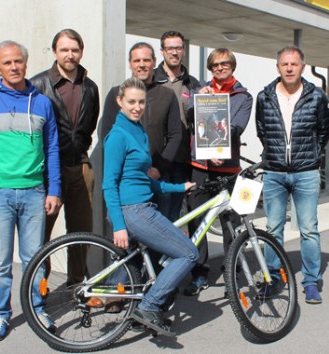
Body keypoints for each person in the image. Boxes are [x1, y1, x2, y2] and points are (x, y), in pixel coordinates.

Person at [0, 40, 62, 342]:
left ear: (26, 63)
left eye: (18, 61)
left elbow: (52, 148)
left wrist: (53, 189)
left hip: (34, 192)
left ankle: (37, 308)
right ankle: (0, 316)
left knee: (35, 259)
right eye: (7, 63)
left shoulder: (42, 103)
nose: (14, 67)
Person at [102, 77, 198, 336]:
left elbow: (144, 180)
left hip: (143, 204)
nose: (137, 107)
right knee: (188, 253)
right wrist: (119, 226)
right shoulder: (118, 136)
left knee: (145, 265)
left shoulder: (138, 131)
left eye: (141, 102)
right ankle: (150, 306)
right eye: (131, 102)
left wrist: (180, 188)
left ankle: (141, 308)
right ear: (119, 101)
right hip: (133, 211)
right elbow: (109, 185)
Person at [30, 29, 102, 307]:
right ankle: (41, 287)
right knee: (41, 234)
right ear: (55, 52)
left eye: (75, 49)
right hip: (48, 171)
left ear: (81, 52)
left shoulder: (90, 87)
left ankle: (78, 285)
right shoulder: (37, 84)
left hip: (80, 167)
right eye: (64, 49)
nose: (70, 54)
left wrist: (79, 147)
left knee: (81, 232)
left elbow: (89, 125)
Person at [255, 46, 329, 304]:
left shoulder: (317, 97)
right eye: (284, 64)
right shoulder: (264, 96)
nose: (289, 68)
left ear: (302, 67)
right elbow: (262, 131)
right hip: (275, 172)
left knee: (309, 229)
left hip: (306, 171)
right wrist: (276, 156)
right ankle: (272, 277)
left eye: (294, 64)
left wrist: (311, 158)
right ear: (278, 67)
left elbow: (323, 132)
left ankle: (311, 280)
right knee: (273, 228)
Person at [183, 48, 253, 296]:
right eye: (214, 65)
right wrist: (196, 98)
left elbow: (235, 127)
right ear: (210, 69)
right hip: (200, 167)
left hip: (227, 168)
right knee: (197, 221)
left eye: (225, 64)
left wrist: (216, 145)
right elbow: (189, 116)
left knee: (230, 224)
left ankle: (230, 272)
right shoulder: (199, 91)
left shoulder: (243, 96)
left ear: (233, 65)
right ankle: (199, 273)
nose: (220, 68)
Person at [153, 30, 201, 221]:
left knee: (175, 213)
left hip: (182, 160)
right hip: (156, 158)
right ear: (162, 51)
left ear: (184, 50)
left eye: (178, 48)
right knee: (159, 211)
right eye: (170, 48)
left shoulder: (193, 84)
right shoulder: (151, 81)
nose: (175, 52)